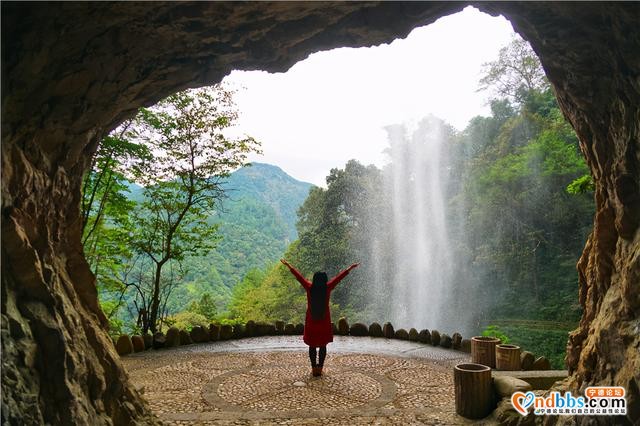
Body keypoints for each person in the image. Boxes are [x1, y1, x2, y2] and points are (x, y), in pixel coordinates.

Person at [280, 259, 359, 377]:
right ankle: (320, 369)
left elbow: (299, 277)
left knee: (312, 345)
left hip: (311, 321)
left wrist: (288, 265)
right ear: (325, 280)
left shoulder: (309, 287)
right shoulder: (327, 287)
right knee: (323, 345)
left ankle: (313, 369)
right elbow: (339, 278)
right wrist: (350, 268)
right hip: (324, 321)